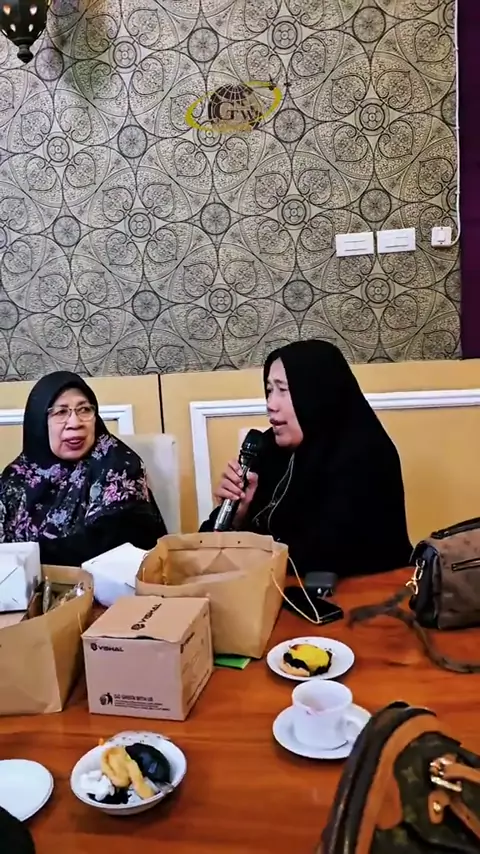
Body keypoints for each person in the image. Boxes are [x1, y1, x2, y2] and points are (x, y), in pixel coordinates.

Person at [201, 340, 412, 577]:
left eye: (283, 390)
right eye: (269, 390)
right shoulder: (266, 447)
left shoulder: (365, 456)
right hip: (276, 589)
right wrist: (236, 518)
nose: (271, 404)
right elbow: (206, 546)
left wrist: (246, 545)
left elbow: (322, 557)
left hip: (360, 593)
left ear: (316, 393)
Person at [0, 371, 167, 565]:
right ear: (39, 423)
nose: (75, 423)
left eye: (84, 410)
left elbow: (114, 547)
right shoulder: (16, 478)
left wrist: (28, 557)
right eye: (61, 412)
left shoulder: (119, 465)